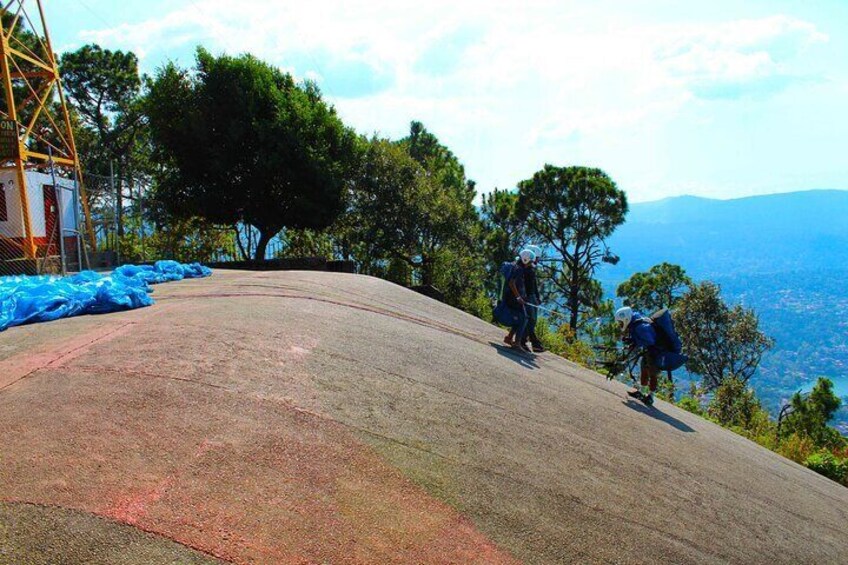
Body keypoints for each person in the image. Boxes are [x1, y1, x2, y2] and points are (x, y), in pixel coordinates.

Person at [614, 306, 685, 406]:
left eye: (621, 322)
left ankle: (650, 397)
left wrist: (634, 341)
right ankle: (642, 392)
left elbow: (649, 340)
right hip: (650, 351)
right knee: (644, 369)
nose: (620, 324)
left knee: (652, 374)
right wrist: (632, 340)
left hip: (658, 352)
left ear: (626, 318)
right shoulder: (635, 320)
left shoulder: (640, 327)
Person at [502, 249, 534, 352]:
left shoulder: (517, 267)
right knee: (524, 318)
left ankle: (509, 338)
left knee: (521, 317)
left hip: (512, 297)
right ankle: (517, 343)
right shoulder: (519, 269)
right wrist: (518, 297)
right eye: (530, 261)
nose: (531, 264)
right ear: (525, 260)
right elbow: (512, 283)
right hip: (512, 298)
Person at [521, 246, 545, 353]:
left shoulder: (529, 269)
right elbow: (530, 286)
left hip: (532, 297)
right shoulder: (528, 270)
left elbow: (533, 286)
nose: (538, 260)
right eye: (537, 257)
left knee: (531, 320)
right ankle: (525, 341)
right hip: (529, 297)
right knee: (531, 320)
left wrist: (537, 297)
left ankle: (533, 342)